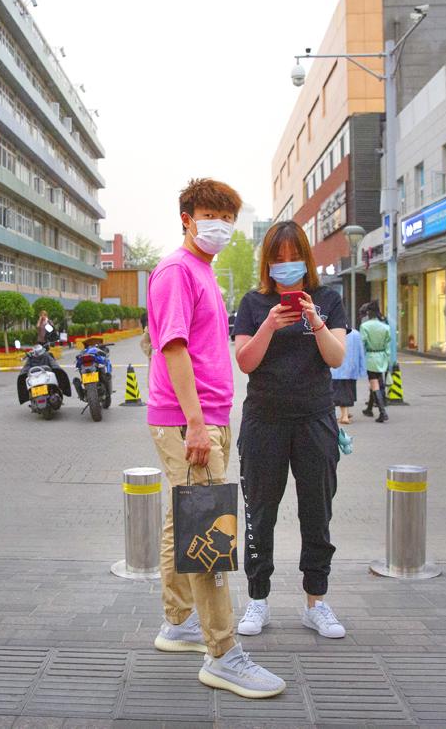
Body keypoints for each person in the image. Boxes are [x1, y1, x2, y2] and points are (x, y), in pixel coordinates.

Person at [147, 178, 285, 699]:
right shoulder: (177, 271)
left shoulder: (202, 270)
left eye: (228, 217)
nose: (221, 226)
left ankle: (179, 621)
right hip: (191, 420)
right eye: (211, 215)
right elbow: (173, 348)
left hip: (203, 417)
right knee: (210, 532)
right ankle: (223, 654)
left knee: (183, 521)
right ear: (186, 218)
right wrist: (198, 423)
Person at [231, 221, 348, 640]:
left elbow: (336, 358)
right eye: (277, 258)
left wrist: (315, 322)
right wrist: (268, 325)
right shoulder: (253, 303)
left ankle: (316, 601)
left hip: (315, 419)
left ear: (306, 258)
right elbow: (245, 361)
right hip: (264, 420)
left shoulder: (328, 300)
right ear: (267, 262)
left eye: (293, 257)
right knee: (259, 512)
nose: (286, 265)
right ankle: (257, 599)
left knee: (317, 512)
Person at [359, 302, 391, 422]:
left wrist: (360, 360)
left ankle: (383, 412)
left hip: (371, 357)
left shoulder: (365, 326)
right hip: (382, 357)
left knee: (374, 383)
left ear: (368, 312)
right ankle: (369, 409)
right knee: (376, 382)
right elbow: (388, 346)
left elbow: (362, 344)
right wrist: (387, 359)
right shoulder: (385, 327)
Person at [331, 323, 366, 424]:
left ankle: (344, 416)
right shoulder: (356, 334)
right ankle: (345, 415)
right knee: (348, 392)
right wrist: (362, 368)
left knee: (339, 393)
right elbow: (361, 352)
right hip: (351, 369)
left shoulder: (334, 332)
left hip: (336, 369)